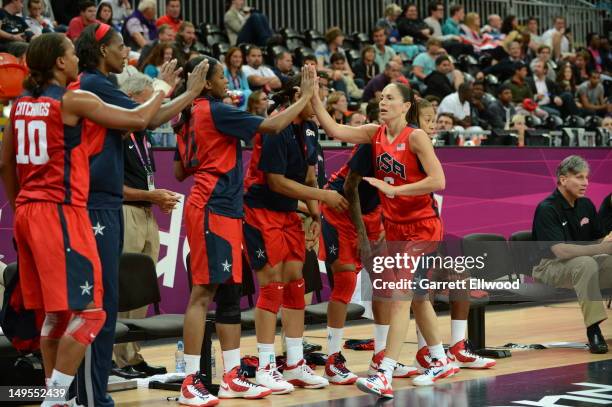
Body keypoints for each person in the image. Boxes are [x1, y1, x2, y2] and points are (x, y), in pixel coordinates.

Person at [0, 32, 165, 407]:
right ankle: (56, 398)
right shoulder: (73, 99)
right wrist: (161, 87)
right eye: (72, 54)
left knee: (56, 314)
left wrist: (21, 204)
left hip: (28, 212)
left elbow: (5, 164)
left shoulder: (20, 104)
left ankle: (57, 395)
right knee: (91, 313)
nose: (77, 59)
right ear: (60, 62)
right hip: (61, 211)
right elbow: (139, 118)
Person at [70, 22, 209, 407]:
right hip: (98, 205)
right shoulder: (94, 86)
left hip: (108, 205)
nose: (126, 54)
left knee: (107, 306)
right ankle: (82, 396)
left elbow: (152, 116)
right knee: (96, 307)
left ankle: (91, 394)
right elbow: (145, 117)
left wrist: (188, 94)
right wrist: (167, 88)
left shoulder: (102, 86)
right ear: (101, 51)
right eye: (119, 47)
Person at [173, 60, 323, 403]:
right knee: (202, 293)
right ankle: (190, 381)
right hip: (213, 205)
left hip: (222, 206)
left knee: (229, 295)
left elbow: (180, 169)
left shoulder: (187, 114)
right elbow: (272, 126)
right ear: (207, 84)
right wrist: (306, 98)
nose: (228, 81)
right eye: (222, 77)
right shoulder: (215, 110)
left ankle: (230, 377)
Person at [311, 81, 455, 396]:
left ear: (405, 106)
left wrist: (396, 190)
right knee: (417, 297)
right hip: (396, 227)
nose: (383, 101)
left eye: (390, 98)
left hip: (422, 227)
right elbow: (335, 129)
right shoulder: (374, 133)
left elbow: (438, 179)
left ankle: (384, 371)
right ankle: (441, 360)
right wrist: (315, 98)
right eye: (381, 97)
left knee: (401, 295)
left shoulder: (416, 137)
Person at [242, 73, 345, 394]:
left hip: (288, 213)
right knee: (272, 285)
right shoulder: (276, 127)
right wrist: (323, 198)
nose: (317, 102)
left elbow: (311, 176)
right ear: (293, 99)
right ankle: (265, 365)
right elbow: (275, 182)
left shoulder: (310, 128)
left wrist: (315, 216)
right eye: (311, 95)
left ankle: (296, 363)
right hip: (260, 210)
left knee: (295, 283)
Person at [112, 72, 175, 378]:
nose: (155, 105)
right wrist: (150, 194)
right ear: (136, 97)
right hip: (125, 212)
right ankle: (115, 358)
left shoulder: (143, 132)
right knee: (123, 287)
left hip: (146, 212)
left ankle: (131, 355)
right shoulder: (119, 130)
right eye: (152, 97)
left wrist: (153, 198)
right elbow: (112, 185)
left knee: (139, 289)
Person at [532, 155, 612, 354]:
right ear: (562, 179)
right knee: (585, 263)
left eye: (586, 177)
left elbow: (600, 238)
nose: (585, 183)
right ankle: (593, 330)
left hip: (585, 264)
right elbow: (561, 251)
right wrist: (602, 248)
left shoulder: (586, 205)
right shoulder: (547, 208)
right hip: (549, 268)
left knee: (598, 262)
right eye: (578, 177)